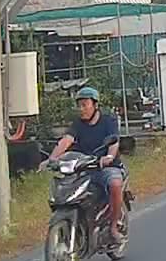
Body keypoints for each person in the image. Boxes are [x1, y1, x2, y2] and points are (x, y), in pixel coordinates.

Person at [46, 86, 127, 243]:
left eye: (85, 105)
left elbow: (114, 142)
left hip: (106, 167)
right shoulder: (77, 124)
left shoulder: (108, 121)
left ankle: (114, 227)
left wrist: (109, 156)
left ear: (95, 105)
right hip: (84, 169)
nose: (81, 109)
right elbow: (66, 140)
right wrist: (52, 158)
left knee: (115, 184)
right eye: (79, 105)